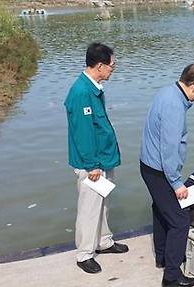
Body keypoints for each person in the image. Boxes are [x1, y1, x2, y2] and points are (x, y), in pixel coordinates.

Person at [139, 63, 194, 287]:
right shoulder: (174, 106)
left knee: (162, 211)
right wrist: (176, 182)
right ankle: (172, 277)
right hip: (160, 170)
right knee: (180, 221)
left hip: (149, 165)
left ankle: (162, 256)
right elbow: (168, 149)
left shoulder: (168, 92)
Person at [64, 43, 128, 274]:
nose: (113, 69)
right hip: (92, 164)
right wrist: (92, 165)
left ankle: (103, 241)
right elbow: (83, 133)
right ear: (99, 66)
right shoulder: (81, 92)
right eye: (112, 65)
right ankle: (84, 254)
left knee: (103, 204)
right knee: (90, 209)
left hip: (103, 160)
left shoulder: (94, 88)